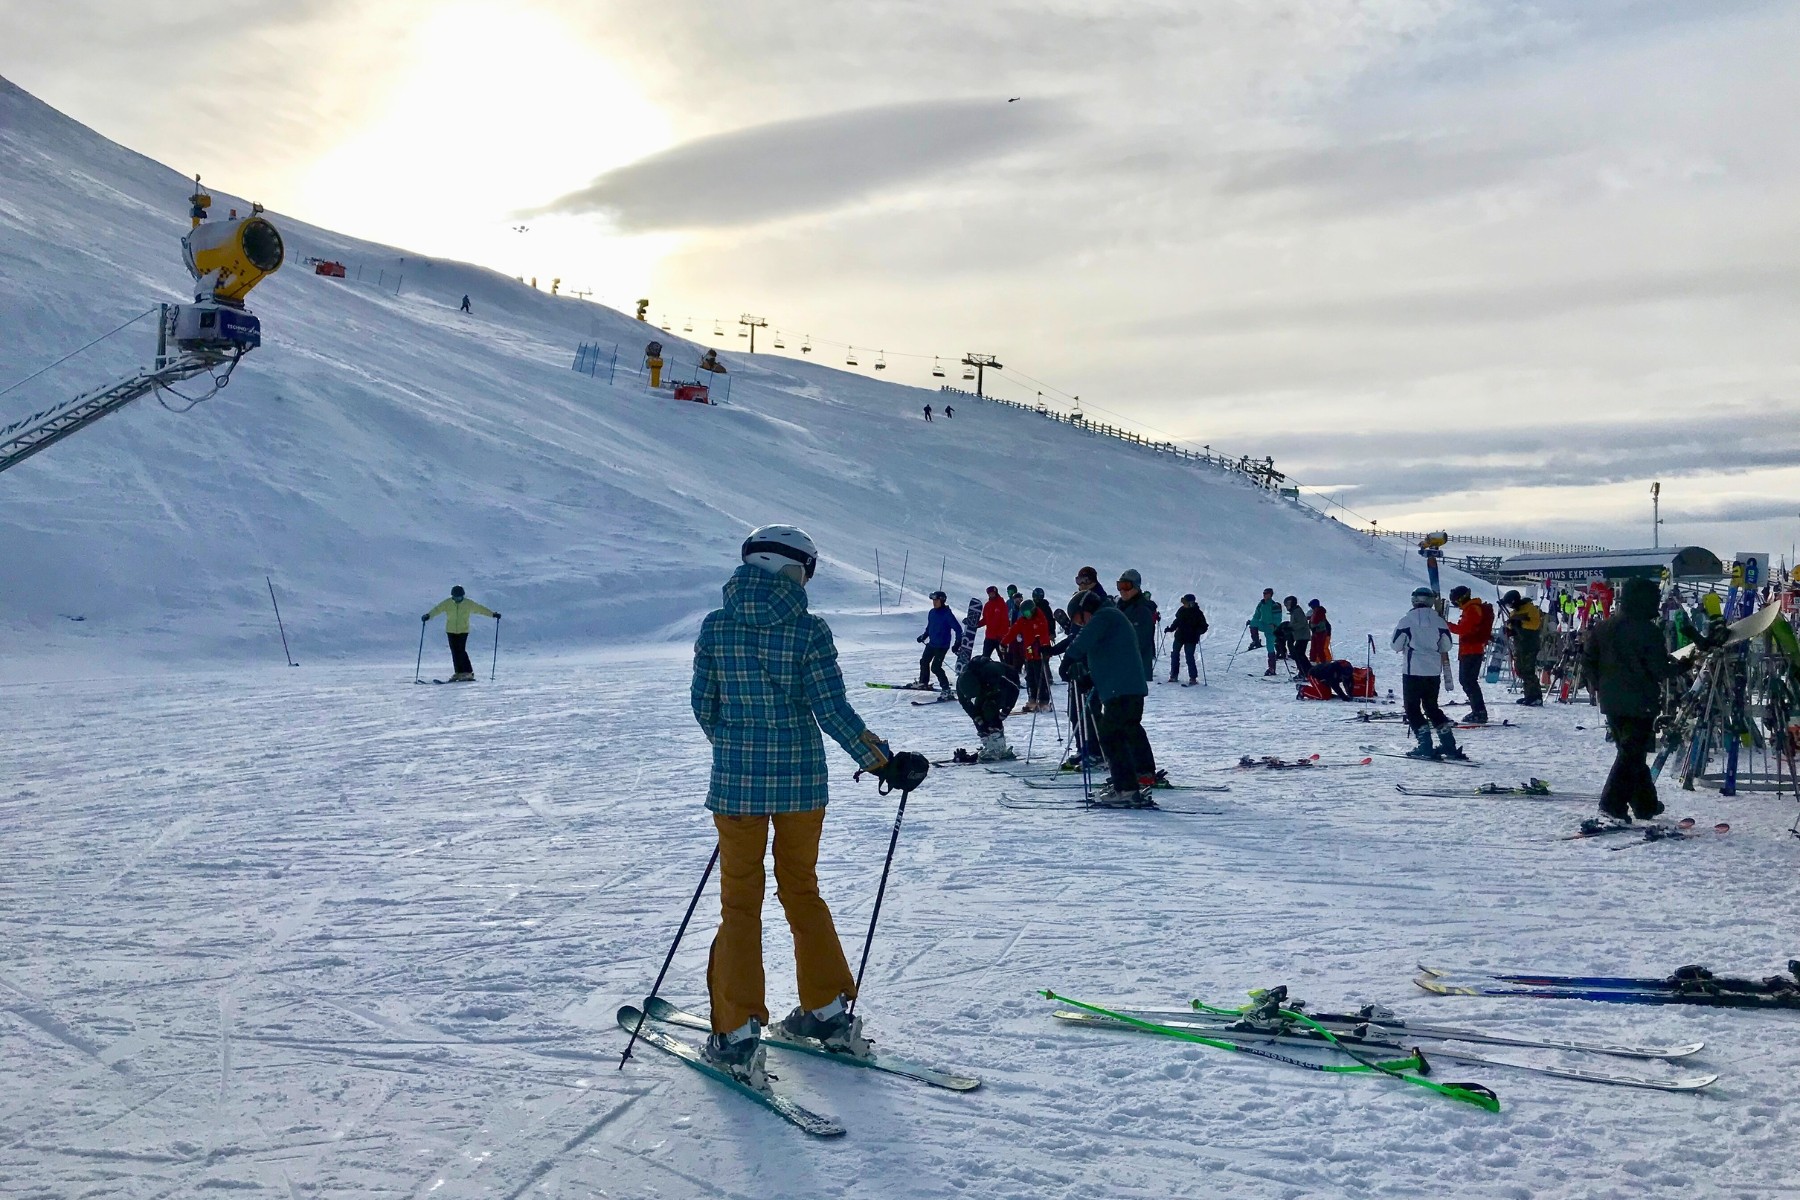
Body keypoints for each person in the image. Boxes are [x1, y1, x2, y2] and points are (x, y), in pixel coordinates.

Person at [691, 524, 901, 1083]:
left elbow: (703, 706)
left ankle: (735, 1034)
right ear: (789, 568)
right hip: (802, 788)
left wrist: (735, 747)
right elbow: (831, 710)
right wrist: (882, 760)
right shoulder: (808, 631)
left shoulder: (716, 627)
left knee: (740, 904)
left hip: (736, 788)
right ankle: (828, 1012)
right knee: (801, 891)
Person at [1582, 578, 1682, 822]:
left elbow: (1588, 660)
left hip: (1611, 700)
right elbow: (1658, 669)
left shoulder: (1604, 627)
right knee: (1630, 755)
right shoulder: (1648, 631)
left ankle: (1644, 804)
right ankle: (1611, 805)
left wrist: (1597, 686)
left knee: (1631, 753)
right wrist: (1683, 665)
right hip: (1640, 701)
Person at [1063, 588, 1158, 805]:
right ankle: (1133, 780)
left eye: (1079, 619)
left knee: (1110, 735)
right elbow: (1111, 658)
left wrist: (1068, 659)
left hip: (1122, 691)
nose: (1081, 624)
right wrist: (1092, 678)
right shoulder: (1112, 616)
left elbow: (1083, 640)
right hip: (1126, 688)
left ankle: (1125, 788)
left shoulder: (1104, 616)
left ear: (1086, 609)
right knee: (1124, 732)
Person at [1391, 586, 1465, 760]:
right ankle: (1448, 744)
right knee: (1431, 707)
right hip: (1433, 671)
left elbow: (1395, 645)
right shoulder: (1439, 621)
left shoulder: (1406, 620)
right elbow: (1446, 645)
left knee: (1412, 708)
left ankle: (1425, 745)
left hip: (1412, 669)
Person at [422, 586, 499, 681]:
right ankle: (458, 672)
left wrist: (492, 614)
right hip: (450, 630)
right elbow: (437, 609)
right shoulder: (448, 603)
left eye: (459, 597)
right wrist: (428, 615)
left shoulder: (468, 603)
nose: (457, 599)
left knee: (461, 651)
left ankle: (468, 672)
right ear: (452, 596)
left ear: (463, 596)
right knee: (454, 651)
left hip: (463, 630)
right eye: (455, 597)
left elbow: (480, 609)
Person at [956, 656, 1021, 761]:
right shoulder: (961, 685)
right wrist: (977, 718)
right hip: (984, 686)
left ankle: (999, 746)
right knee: (979, 714)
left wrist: (1007, 709)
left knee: (990, 710)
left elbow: (1014, 688)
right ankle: (987, 742)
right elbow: (966, 705)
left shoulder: (992, 672)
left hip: (1004, 683)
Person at [1445, 585, 1494, 724]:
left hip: (1472, 650)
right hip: (1471, 649)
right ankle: (1478, 710)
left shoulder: (1472, 610)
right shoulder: (1471, 608)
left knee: (1468, 681)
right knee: (1468, 681)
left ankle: (1479, 712)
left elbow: (1463, 629)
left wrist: (1446, 625)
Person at [1008, 598, 1053, 710]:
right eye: (1023, 613)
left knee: (1040, 677)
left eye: (1027, 613)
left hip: (1039, 654)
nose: (1025, 615)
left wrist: (1044, 647)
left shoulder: (1040, 619)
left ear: (1032, 610)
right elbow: (1013, 630)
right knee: (1030, 677)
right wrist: (1004, 642)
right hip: (1028, 653)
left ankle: (1044, 700)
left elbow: (1044, 635)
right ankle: (1032, 698)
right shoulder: (1023, 620)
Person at [1502, 590, 1546, 705]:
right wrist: (1510, 629)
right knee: (1520, 670)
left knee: (1528, 670)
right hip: (1520, 644)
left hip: (1530, 644)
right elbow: (1512, 626)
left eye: (1510, 604)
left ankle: (1536, 697)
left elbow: (1535, 624)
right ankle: (1529, 695)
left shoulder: (1530, 609)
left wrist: (1519, 624)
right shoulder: (1514, 612)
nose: (1510, 607)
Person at [915, 591, 962, 693]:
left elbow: (958, 629)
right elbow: (929, 628)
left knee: (935, 667)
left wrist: (957, 643)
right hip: (932, 644)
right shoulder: (932, 612)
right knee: (924, 661)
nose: (934, 602)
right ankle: (923, 683)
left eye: (936, 600)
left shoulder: (947, 614)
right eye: (933, 600)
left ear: (942, 601)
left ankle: (946, 688)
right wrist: (924, 636)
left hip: (942, 646)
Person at [1115, 569, 1158, 681]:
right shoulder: (1119, 607)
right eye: (1120, 586)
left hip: (1134, 672)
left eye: (1127, 586)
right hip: (1119, 670)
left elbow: (1138, 642)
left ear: (1136, 587)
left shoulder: (1142, 611)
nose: (1123, 590)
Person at [1168, 594, 1208, 683]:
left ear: (1191, 603)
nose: (1184, 604)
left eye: (1185, 602)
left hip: (1191, 638)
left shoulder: (1198, 613)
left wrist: (1199, 630)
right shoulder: (1182, 610)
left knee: (1189, 656)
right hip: (1180, 636)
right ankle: (1173, 675)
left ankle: (1193, 677)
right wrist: (1171, 628)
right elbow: (1177, 621)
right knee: (1175, 654)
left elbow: (1204, 626)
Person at [1249, 588, 1282, 674]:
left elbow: (1278, 617)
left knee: (1270, 647)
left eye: (1266, 593)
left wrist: (1275, 625)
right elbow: (1257, 615)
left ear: (1270, 595)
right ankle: (1256, 642)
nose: (1264, 595)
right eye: (1264, 593)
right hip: (1263, 624)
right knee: (1253, 624)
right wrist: (1253, 621)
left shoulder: (1274, 605)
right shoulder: (1261, 604)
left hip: (1271, 628)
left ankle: (1272, 668)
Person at [977, 586, 1011, 659]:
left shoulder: (1002, 604)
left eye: (992, 593)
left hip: (1000, 638)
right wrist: (977, 624)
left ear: (996, 593)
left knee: (1004, 659)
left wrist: (1001, 634)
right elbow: (985, 620)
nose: (991, 595)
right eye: (989, 593)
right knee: (984, 658)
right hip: (989, 637)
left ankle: (1007, 670)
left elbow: (1005, 622)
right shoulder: (987, 605)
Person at [1282, 596, 1312, 678]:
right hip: (1300, 636)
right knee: (1299, 655)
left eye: (1287, 605)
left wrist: (1291, 627)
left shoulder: (1297, 611)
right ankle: (1307, 672)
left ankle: (1306, 672)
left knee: (1299, 655)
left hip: (1302, 636)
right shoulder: (1294, 611)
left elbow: (1301, 623)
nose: (1287, 607)